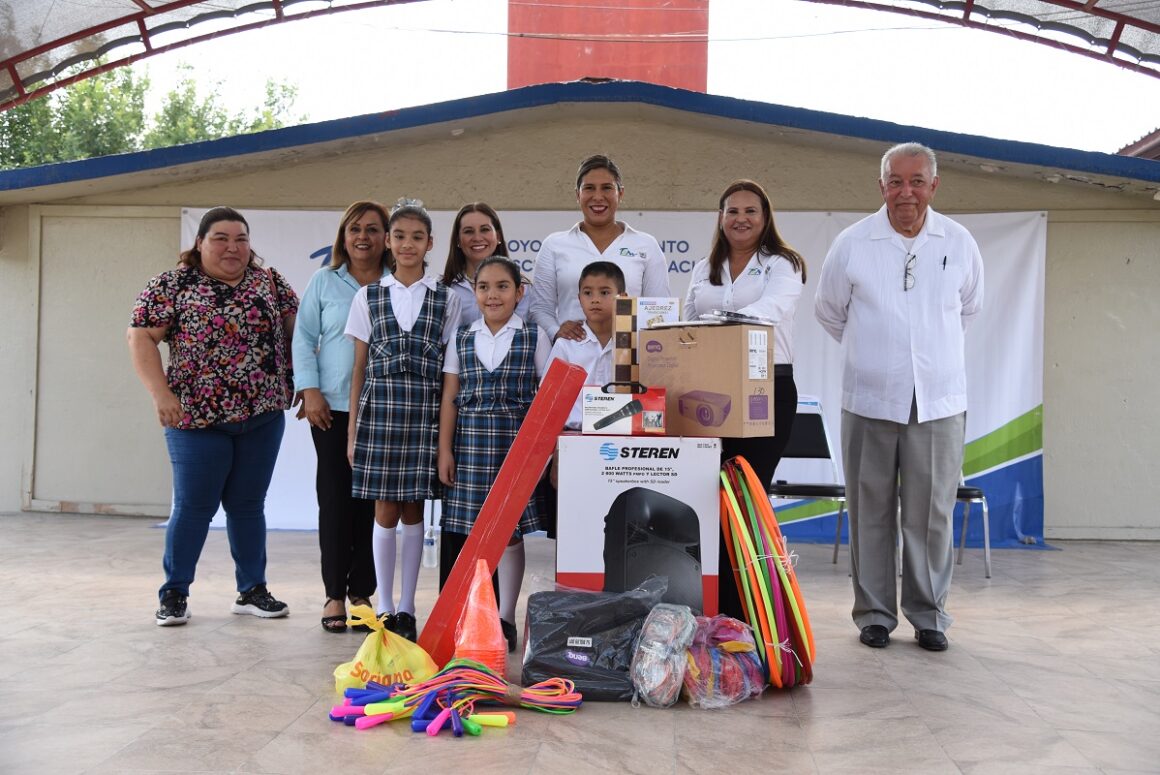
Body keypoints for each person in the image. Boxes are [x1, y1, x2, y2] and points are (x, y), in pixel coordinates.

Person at [814, 142, 984, 652]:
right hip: (869, 399)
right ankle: (874, 615)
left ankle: (929, 614)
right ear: (881, 186)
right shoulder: (853, 242)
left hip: (938, 402)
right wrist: (879, 354)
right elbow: (829, 311)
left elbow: (970, 308)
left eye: (916, 181)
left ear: (933, 186)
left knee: (930, 512)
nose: (905, 192)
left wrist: (923, 355)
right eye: (895, 181)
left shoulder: (958, 241)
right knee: (870, 509)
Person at [127, 206, 298, 626]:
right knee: (194, 507)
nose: (232, 247)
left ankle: (252, 590)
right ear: (200, 242)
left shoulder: (270, 281)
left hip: (262, 414)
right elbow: (140, 336)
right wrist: (160, 394)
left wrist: (305, 383)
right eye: (221, 238)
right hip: (195, 419)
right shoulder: (172, 284)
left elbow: (302, 332)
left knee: (247, 505)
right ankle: (174, 593)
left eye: (241, 238)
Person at [684, 179, 807, 622]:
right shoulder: (703, 268)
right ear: (720, 217)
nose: (741, 218)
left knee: (749, 497)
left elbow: (775, 308)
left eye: (750, 211)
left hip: (765, 389)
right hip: (709, 393)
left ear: (765, 217)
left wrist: (724, 322)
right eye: (732, 210)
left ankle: (753, 610)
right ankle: (712, 607)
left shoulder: (783, 264)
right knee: (709, 495)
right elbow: (687, 324)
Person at [345, 198, 462, 642]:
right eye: (399, 236)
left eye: (417, 237)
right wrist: (354, 429)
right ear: (388, 243)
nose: (407, 244)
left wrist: (445, 436)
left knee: (415, 509)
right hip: (379, 415)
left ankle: (409, 607)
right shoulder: (368, 295)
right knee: (385, 509)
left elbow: (451, 372)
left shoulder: (445, 299)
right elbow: (358, 369)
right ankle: (386, 608)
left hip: (424, 414)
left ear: (430, 243)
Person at [437, 256, 553, 652]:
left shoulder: (534, 336)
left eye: (503, 286)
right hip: (469, 447)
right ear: (474, 292)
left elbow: (546, 403)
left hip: (514, 448)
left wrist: (543, 456)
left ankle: (504, 618)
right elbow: (450, 398)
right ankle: (476, 614)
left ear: (520, 293)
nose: (493, 294)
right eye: (484, 286)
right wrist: (444, 450)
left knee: (509, 536)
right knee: (475, 535)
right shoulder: (461, 337)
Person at [293, 200, 391, 633]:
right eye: (355, 229)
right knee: (334, 501)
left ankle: (362, 594)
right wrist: (309, 389)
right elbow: (303, 338)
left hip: (384, 411)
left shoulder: (398, 284)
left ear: (387, 237)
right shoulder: (324, 281)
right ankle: (334, 593)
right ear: (343, 235)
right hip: (331, 408)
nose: (363, 237)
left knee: (371, 506)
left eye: (373, 229)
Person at [529, 154, 671, 342]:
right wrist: (556, 331)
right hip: (571, 355)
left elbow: (659, 309)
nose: (598, 197)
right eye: (589, 188)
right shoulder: (554, 245)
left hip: (627, 358)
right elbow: (540, 309)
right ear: (577, 194)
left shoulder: (646, 245)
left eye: (607, 188)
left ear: (620, 193)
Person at [546, 261, 624, 434]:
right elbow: (549, 399)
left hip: (623, 434)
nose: (595, 299)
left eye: (604, 292)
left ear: (622, 297)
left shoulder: (633, 343)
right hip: (572, 434)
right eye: (588, 293)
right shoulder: (566, 345)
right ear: (579, 298)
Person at [442, 202, 530, 324]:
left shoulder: (524, 288)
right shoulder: (443, 289)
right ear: (458, 240)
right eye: (468, 231)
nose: (477, 238)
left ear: (498, 236)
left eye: (485, 229)